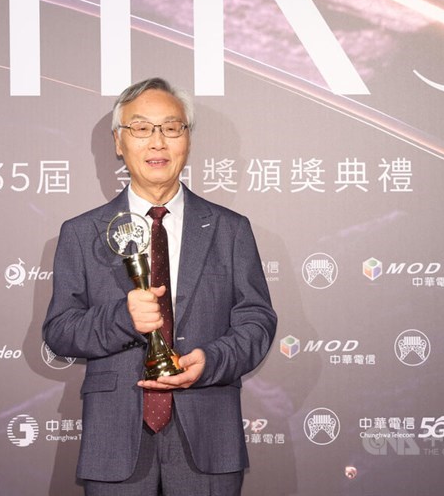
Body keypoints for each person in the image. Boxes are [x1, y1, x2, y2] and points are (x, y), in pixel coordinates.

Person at [43, 77, 277, 495]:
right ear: (119, 142)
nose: (157, 142)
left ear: (187, 140)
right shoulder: (80, 233)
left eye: (171, 128)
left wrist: (212, 360)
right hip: (115, 441)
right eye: (141, 128)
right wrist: (122, 318)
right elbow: (60, 331)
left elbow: (256, 321)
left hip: (208, 435)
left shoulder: (230, 230)